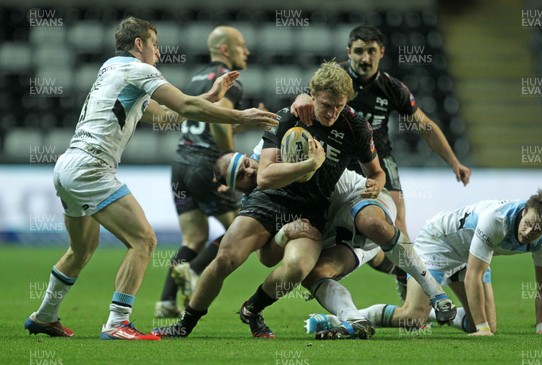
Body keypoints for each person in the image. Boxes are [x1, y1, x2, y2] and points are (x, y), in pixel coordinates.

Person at [23, 17, 278, 340]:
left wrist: (212, 96)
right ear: (139, 44)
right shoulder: (140, 70)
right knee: (144, 241)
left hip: (68, 166)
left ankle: (44, 315)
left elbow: (166, 115)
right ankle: (118, 322)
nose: (159, 53)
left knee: (82, 249)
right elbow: (184, 105)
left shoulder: (110, 71)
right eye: (155, 45)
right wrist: (240, 115)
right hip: (92, 167)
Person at [151, 61, 387, 339]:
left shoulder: (357, 129)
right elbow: (264, 177)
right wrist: (309, 165)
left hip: (310, 211)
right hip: (270, 199)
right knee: (226, 257)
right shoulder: (289, 116)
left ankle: (252, 308)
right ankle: (184, 324)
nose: (332, 112)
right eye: (326, 105)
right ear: (311, 95)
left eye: (339, 105)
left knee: (297, 269)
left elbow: (377, 172)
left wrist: (376, 184)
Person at [212, 151, 457, 340]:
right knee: (311, 273)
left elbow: (374, 165)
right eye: (241, 177)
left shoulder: (276, 152)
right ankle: (353, 320)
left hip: (359, 198)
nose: (250, 172)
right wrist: (284, 234)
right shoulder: (258, 203)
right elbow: (266, 258)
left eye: (246, 164)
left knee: (370, 222)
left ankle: (434, 290)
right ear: (233, 188)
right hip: (335, 230)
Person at [306, 189, 542, 336]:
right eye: (528, 224)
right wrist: (483, 330)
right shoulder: (497, 221)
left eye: (537, 231)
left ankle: (440, 313)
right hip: (439, 241)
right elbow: (473, 277)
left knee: (486, 322)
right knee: (413, 316)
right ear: (524, 211)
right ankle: (340, 319)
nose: (528, 232)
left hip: (469, 252)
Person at [292, 25, 471, 237]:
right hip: (338, 156)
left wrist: (454, 162)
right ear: (348, 52)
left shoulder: (393, 89)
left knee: (396, 222)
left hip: (378, 158)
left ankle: (405, 270)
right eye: (359, 51)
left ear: (382, 53)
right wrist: (300, 97)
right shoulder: (332, 80)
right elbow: (305, 99)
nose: (365, 58)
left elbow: (425, 127)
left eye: (371, 51)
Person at [155, 25, 253, 318]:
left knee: (194, 238)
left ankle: (166, 302)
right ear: (225, 49)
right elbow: (218, 122)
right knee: (240, 229)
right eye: (241, 45)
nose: (246, 51)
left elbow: (204, 117)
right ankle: (194, 272)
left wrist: (241, 124)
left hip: (181, 164)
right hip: (206, 165)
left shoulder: (196, 78)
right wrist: (230, 162)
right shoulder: (229, 81)